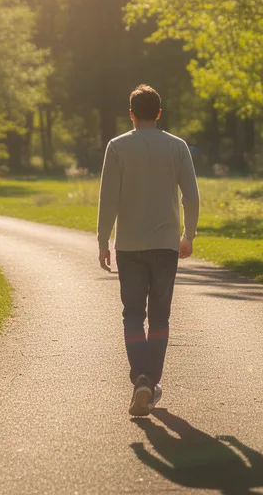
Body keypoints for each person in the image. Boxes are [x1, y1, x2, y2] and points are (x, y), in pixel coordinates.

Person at [97, 84, 200, 417]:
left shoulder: (117, 147)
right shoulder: (177, 147)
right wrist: (189, 235)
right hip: (165, 245)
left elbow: (108, 199)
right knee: (159, 316)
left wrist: (103, 241)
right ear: (159, 112)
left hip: (129, 246)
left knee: (132, 315)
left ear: (131, 113)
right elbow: (192, 197)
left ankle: (141, 378)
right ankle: (149, 380)